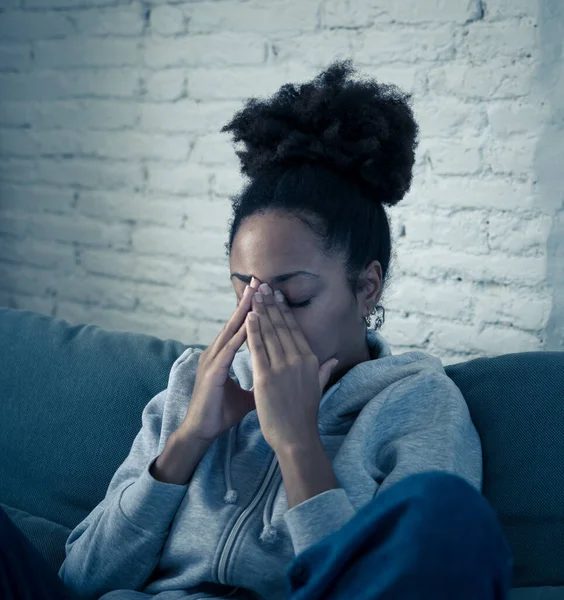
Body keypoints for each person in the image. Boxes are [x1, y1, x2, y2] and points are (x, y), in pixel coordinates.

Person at [0, 58, 513, 600]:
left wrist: (298, 444)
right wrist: (188, 439)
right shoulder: (193, 383)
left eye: (293, 297)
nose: (259, 320)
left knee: (449, 513)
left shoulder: (418, 405)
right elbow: (80, 580)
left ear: (367, 287)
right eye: (243, 290)